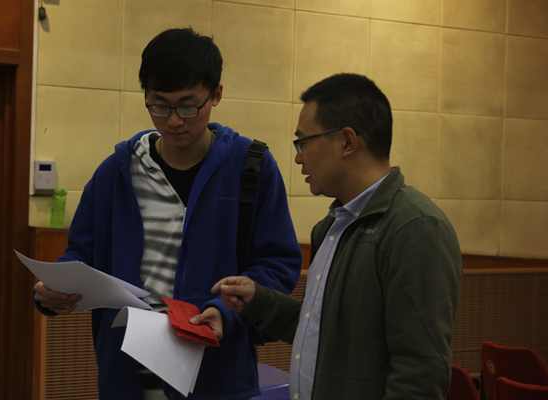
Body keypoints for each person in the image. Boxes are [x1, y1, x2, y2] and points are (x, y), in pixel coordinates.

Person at [32, 28, 301, 400]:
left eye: (188, 106)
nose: (174, 121)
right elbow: (81, 253)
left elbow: (277, 264)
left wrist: (224, 310)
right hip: (126, 374)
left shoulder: (249, 168)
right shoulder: (117, 172)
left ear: (216, 94)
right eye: (159, 105)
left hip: (215, 373)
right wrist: (53, 289)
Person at [204, 73, 462, 400]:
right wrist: (258, 301)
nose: (298, 157)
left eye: (303, 142)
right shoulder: (332, 226)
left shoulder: (415, 228)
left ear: (347, 142)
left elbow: (420, 374)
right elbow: (324, 332)